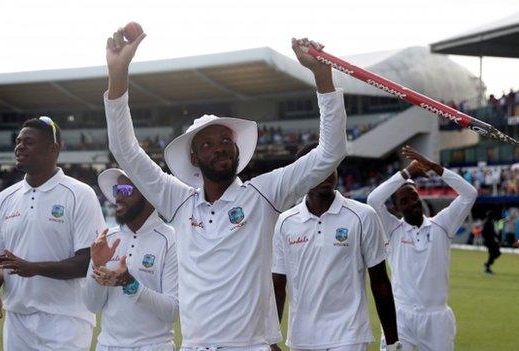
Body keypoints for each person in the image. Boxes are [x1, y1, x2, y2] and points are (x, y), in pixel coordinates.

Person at [104, 26, 347, 349]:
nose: (219, 147)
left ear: (236, 149)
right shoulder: (178, 200)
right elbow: (125, 150)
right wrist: (118, 73)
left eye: (225, 140)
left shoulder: (263, 194)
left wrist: (322, 79)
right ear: (193, 156)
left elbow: (330, 152)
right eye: (207, 144)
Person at [0, 116, 106, 351]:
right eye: (18, 141)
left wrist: (35, 268)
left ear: (53, 149)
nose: (19, 146)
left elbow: (87, 262)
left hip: (66, 320)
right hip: (17, 320)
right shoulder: (4, 198)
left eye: (28, 142)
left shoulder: (79, 194)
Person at [272, 143, 400, 351]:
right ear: (301, 174)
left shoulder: (363, 215)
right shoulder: (285, 222)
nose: (327, 173)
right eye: (319, 167)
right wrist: (270, 338)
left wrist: (394, 343)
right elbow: (278, 284)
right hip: (302, 338)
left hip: (350, 336)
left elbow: (380, 282)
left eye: (331, 165)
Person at [367, 145, 478, 351]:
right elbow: (373, 200)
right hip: (401, 318)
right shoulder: (391, 229)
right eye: (404, 201)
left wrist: (436, 168)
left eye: (414, 196)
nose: (412, 203)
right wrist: (406, 173)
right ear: (396, 208)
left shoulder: (442, 225)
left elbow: (469, 194)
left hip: (437, 319)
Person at [83, 168, 178, 351]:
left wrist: (130, 284)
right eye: (117, 190)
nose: (118, 197)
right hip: (108, 346)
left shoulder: (170, 239)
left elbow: (172, 311)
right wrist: (97, 265)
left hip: (154, 346)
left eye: (126, 191)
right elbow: (92, 305)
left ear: (149, 193)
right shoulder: (107, 238)